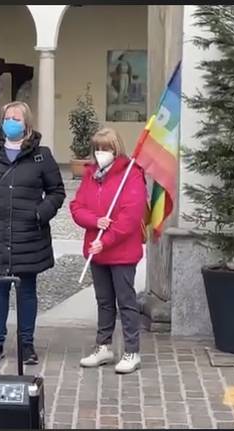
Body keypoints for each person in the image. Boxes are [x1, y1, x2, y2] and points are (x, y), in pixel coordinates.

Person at [0, 101, 65, 365]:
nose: (11, 122)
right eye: (7, 117)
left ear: (27, 123)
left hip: (28, 234)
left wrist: (39, 213)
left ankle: (26, 342)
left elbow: (56, 192)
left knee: (26, 290)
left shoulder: (41, 156)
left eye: (16, 118)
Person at [69, 127, 147, 374]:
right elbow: (77, 206)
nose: (101, 153)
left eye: (106, 148)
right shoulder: (90, 174)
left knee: (126, 301)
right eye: (98, 148)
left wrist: (108, 238)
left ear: (116, 149)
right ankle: (103, 346)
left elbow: (130, 216)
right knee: (104, 301)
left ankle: (131, 350)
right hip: (97, 249)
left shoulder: (131, 174)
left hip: (121, 251)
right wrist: (95, 221)